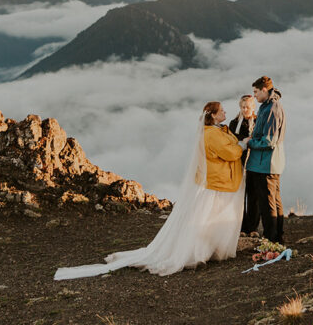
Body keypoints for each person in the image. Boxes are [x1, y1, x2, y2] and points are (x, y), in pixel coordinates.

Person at [54, 101, 245, 279]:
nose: (225, 113)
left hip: (218, 179)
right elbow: (229, 152)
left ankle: (206, 249)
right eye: (222, 111)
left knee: (208, 217)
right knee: (205, 217)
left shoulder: (215, 130)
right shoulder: (211, 134)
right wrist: (242, 146)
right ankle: (197, 251)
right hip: (216, 180)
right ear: (213, 115)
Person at [242, 75, 286, 243]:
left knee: (268, 204)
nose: (254, 96)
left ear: (264, 90)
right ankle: (277, 237)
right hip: (263, 163)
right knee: (273, 201)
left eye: (256, 92)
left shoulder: (272, 109)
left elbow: (269, 140)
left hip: (265, 164)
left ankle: (272, 239)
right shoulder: (266, 107)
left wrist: (250, 142)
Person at [229, 94, 258, 234]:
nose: (244, 109)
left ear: (253, 107)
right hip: (238, 161)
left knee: (253, 195)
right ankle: (240, 227)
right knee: (240, 195)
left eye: (247, 107)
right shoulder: (234, 123)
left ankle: (252, 227)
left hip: (254, 162)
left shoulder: (258, 121)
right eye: (242, 107)